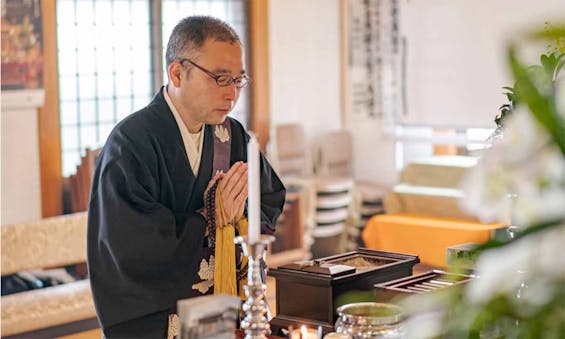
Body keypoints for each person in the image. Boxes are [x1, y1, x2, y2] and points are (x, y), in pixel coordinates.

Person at [87, 16, 285, 338]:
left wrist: (239, 220)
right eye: (220, 79)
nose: (232, 95)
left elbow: (270, 198)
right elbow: (131, 246)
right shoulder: (131, 144)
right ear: (177, 73)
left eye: (238, 80)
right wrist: (211, 215)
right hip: (158, 315)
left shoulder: (230, 136)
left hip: (224, 308)